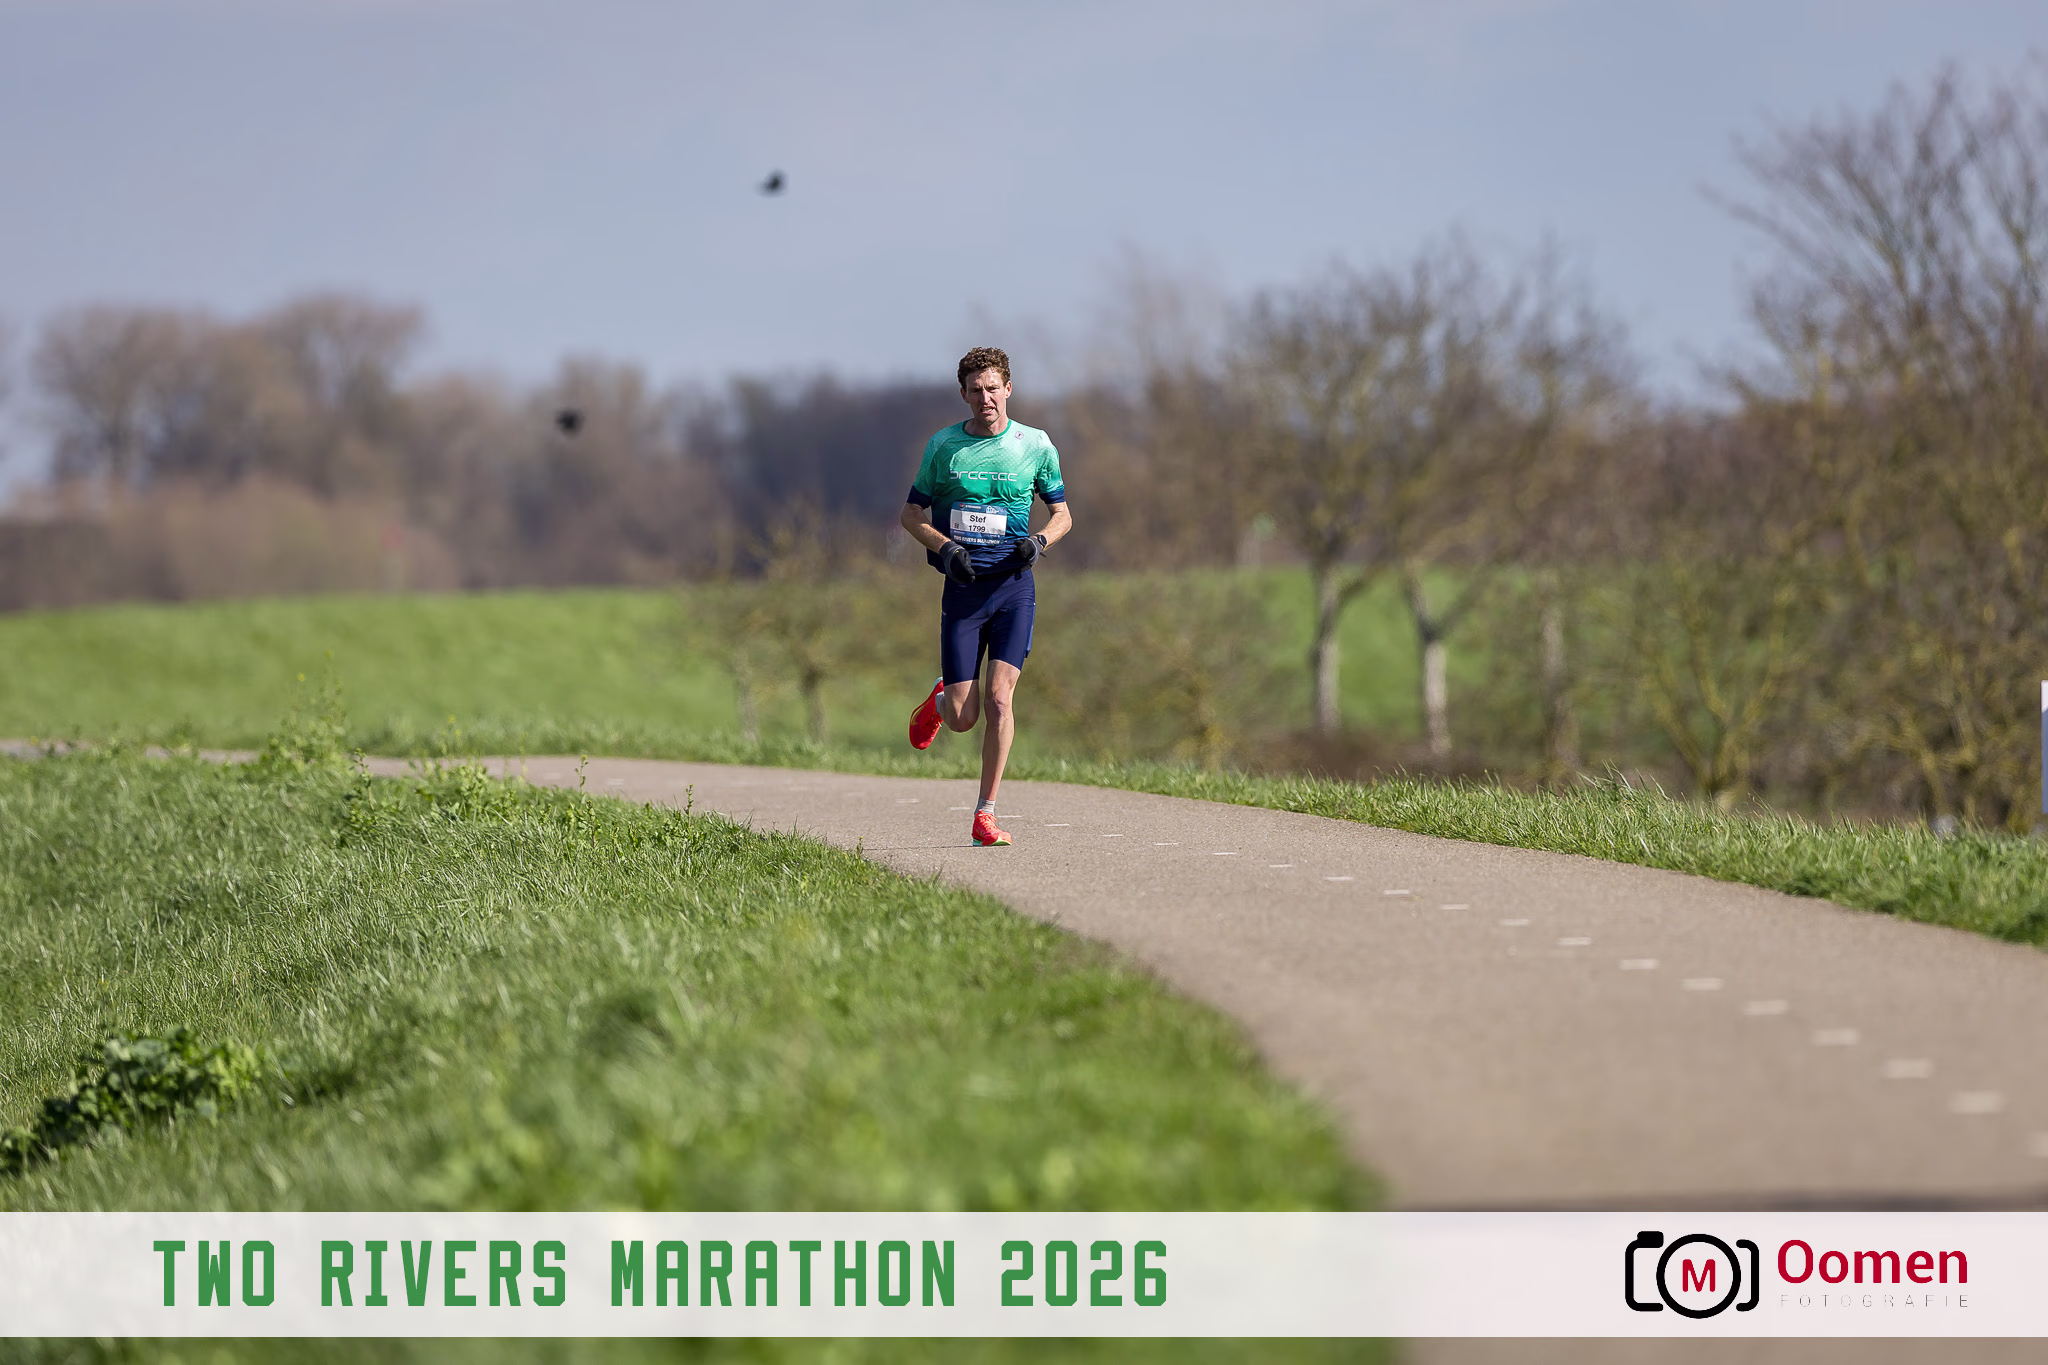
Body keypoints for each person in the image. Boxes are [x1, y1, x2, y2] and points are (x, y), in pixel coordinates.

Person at [898, 346, 1072, 846]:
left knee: (999, 699)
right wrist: (945, 547)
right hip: (964, 590)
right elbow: (911, 515)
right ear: (963, 394)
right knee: (963, 717)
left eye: (993, 388)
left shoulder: (1034, 445)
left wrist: (1039, 542)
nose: (985, 398)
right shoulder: (944, 447)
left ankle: (985, 813)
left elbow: (1063, 515)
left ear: (1008, 389)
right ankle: (940, 700)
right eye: (975, 390)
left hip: (1014, 589)